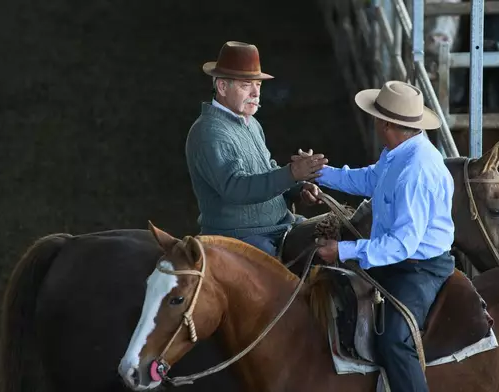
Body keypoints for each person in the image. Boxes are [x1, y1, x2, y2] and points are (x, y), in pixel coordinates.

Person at [301, 80, 455, 392]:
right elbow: (371, 179)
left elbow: (401, 245)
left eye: (375, 116)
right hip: (401, 258)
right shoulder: (399, 153)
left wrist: (343, 250)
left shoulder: (416, 171)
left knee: (394, 340)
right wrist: (319, 172)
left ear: (385, 123)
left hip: (419, 267)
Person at [185, 41, 328, 257]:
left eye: (258, 85)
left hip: (278, 225)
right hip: (239, 235)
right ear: (222, 86)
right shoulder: (208, 133)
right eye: (246, 85)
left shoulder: (250, 123)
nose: (255, 92)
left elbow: (266, 170)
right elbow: (236, 188)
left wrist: (298, 188)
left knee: (331, 243)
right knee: (281, 285)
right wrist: (291, 173)